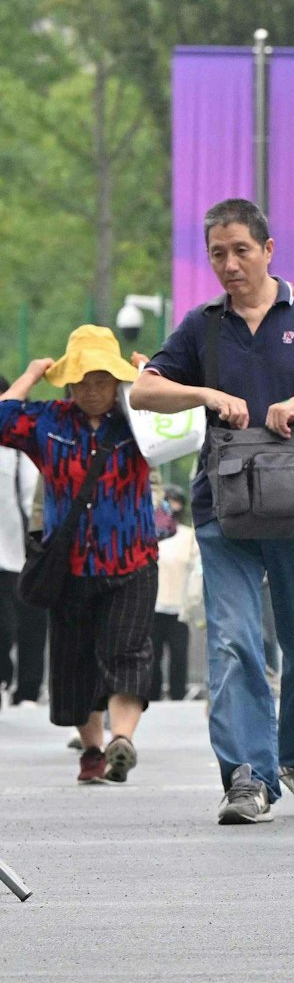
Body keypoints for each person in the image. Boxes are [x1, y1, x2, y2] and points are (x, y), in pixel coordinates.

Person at [134, 199, 294, 822]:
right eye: (218, 253)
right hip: (224, 510)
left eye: (241, 250)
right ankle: (247, 774)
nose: (230, 264)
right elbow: (144, 390)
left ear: (269, 250)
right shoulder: (203, 324)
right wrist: (204, 392)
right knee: (234, 643)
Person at [1, 329, 161, 784]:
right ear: (68, 384)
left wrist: (153, 377)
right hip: (69, 566)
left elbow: (186, 422)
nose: (92, 390)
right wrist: (32, 374)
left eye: (103, 380)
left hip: (131, 559)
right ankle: (93, 750)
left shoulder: (139, 418)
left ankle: (121, 740)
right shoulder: (49, 421)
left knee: (127, 651)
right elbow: (3, 418)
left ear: (118, 382)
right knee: (75, 663)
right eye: (82, 381)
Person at [0, 418, 47, 707]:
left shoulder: (19, 450)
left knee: (30, 622)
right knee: (4, 625)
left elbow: (34, 499)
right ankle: (5, 677)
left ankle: (28, 689)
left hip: (18, 552)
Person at [151, 486, 197, 702]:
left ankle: (179, 693)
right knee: (152, 654)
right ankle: (152, 693)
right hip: (154, 603)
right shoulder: (151, 533)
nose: (172, 506)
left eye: (176, 502)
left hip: (179, 605)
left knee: (179, 654)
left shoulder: (189, 536)